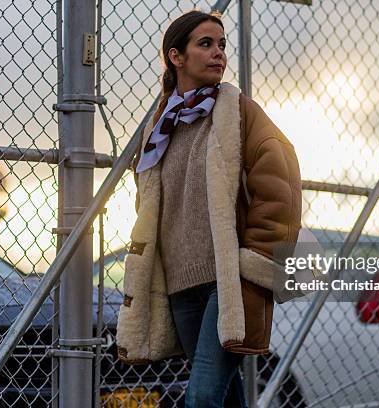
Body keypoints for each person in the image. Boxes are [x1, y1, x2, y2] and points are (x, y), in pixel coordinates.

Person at [116, 9, 302, 408]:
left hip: (229, 282)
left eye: (222, 45)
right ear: (176, 57)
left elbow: (279, 179)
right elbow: (150, 201)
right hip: (182, 284)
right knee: (224, 394)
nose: (218, 53)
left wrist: (255, 257)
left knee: (200, 397)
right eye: (205, 44)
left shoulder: (238, 113)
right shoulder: (160, 127)